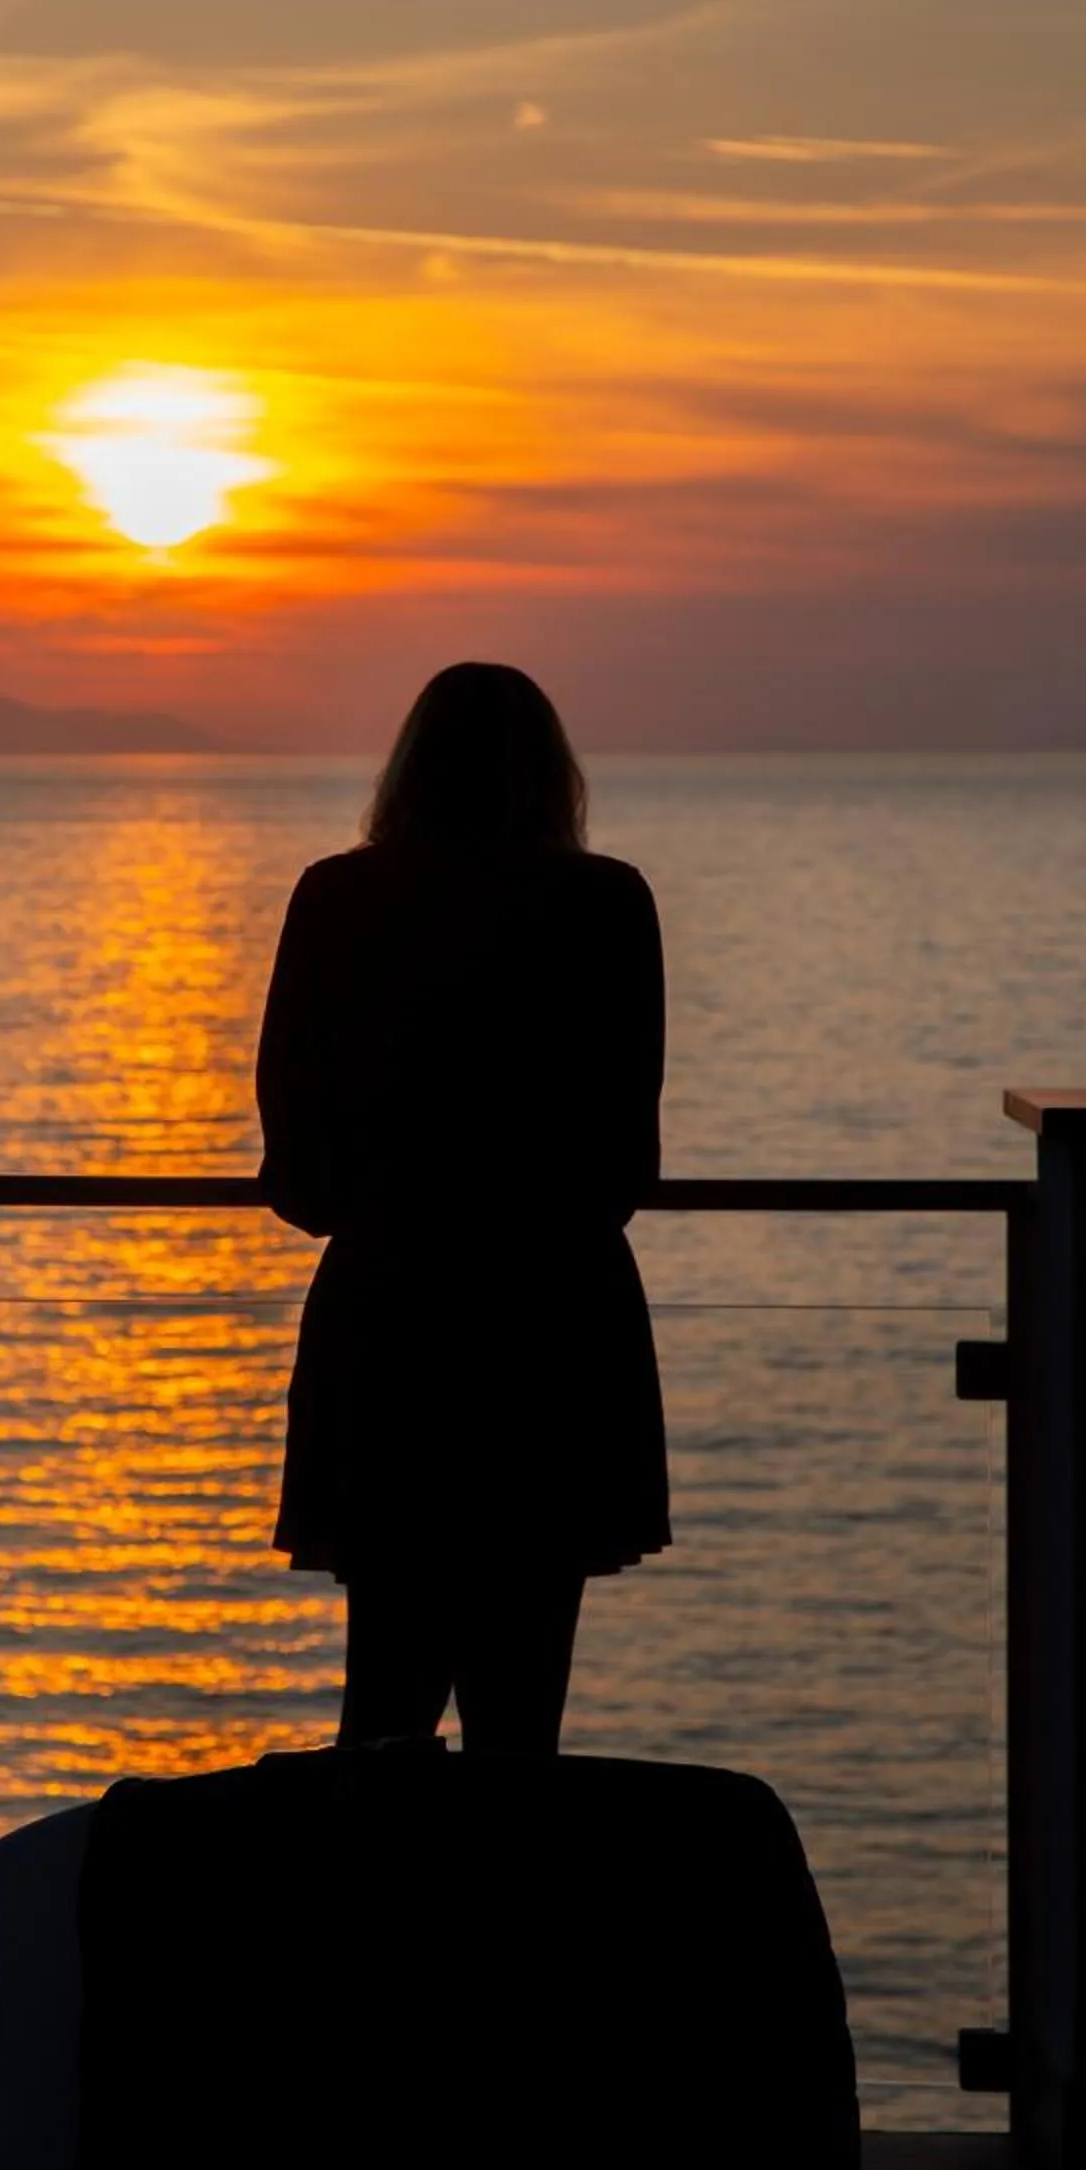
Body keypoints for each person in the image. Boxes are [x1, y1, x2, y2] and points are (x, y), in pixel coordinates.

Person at [256, 662, 668, 1750]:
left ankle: (368, 1919)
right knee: (521, 1727)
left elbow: (296, 1178)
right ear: (551, 774)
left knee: (381, 1706)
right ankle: (507, 1919)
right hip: (555, 1332)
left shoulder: (335, 900)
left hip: (389, 1328)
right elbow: (625, 1163)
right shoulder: (606, 903)